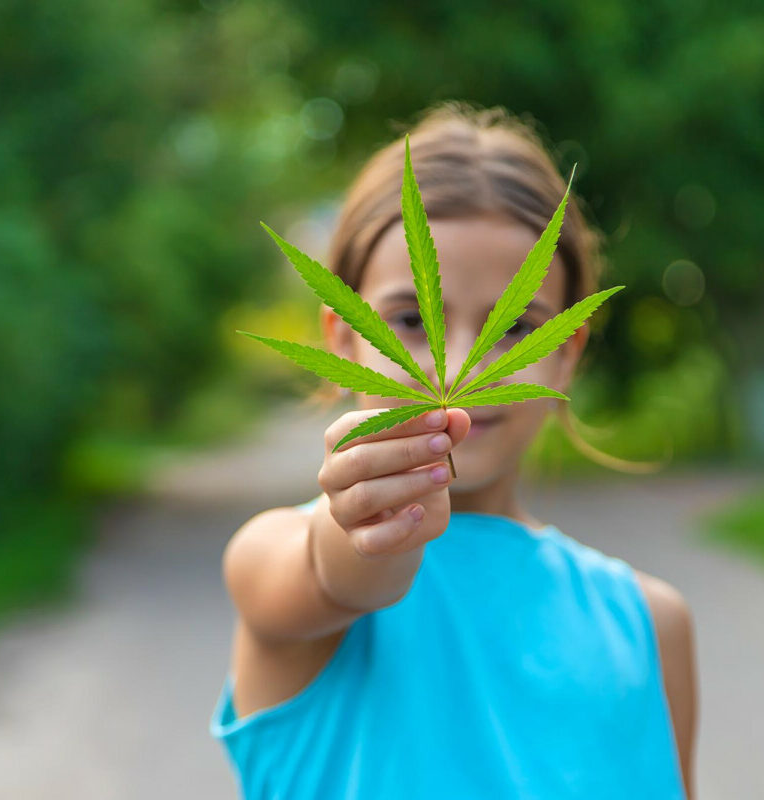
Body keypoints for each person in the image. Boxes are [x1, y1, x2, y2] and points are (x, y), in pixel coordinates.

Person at [211, 101, 699, 799]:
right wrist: (372, 521)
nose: (456, 371)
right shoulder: (274, 559)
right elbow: (340, 573)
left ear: (566, 357)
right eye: (411, 320)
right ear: (342, 338)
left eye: (515, 328)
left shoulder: (650, 625)